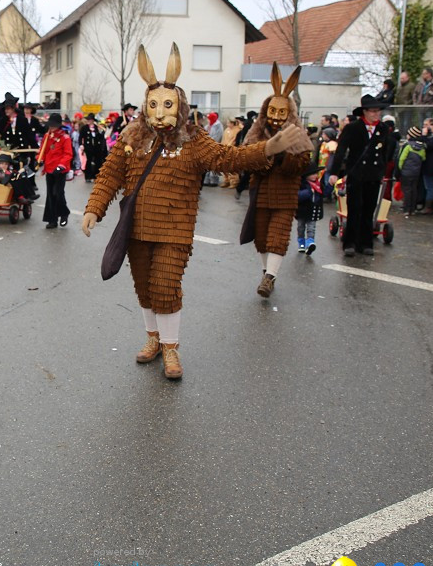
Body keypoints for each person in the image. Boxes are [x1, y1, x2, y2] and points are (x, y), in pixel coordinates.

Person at [81, 44, 311, 380]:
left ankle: (171, 348)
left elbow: (228, 159)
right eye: (154, 104)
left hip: (175, 228)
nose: (160, 112)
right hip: (137, 228)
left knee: (165, 285)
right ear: (145, 106)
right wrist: (93, 209)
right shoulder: (131, 138)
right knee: (144, 287)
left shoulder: (194, 140)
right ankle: (153, 340)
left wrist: (268, 148)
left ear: (181, 106)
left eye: (168, 104)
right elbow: (110, 174)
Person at [239, 64, 314, 297]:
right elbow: (246, 156)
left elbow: (302, 163)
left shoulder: (297, 133)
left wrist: (284, 155)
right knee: (261, 238)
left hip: (285, 194)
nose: (275, 117)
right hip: (260, 193)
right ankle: (266, 272)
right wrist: (267, 155)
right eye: (272, 111)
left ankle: (270, 277)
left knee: (278, 237)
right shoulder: (257, 132)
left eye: (281, 113)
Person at [328, 94, 396, 255]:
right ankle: (350, 243)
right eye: (373, 111)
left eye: (378, 111)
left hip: (373, 175)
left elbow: (386, 153)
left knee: (369, 209)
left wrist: (381, 171)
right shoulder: (353, 128)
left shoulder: (383, 129)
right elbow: (341, 151)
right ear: (364, 112)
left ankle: (366, 243)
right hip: (356, 173)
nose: (376, 114)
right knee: (354, 208)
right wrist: (334, 173)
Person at [38, 113, 73, 228]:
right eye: (50, 125)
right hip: (49, 168)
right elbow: (44, 151)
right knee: (50, 194)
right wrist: (39, 160)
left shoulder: (65, 138)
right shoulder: (47, 136)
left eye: (53, 125)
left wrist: (61, 166)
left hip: (60, 170)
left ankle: (64, 213)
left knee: (58, 193)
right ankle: (52, 220)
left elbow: (68, 154)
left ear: (58, 126)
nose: (51, 127)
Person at [397, 125, 427, 217]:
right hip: (416, 172)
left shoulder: (407, 145)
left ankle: (406, 209)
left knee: (406, 190)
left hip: (406, 172)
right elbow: (423, 158)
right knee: (414, 189)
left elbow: (401, 159)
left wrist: (400, 169)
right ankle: (412, 209)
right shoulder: (422, 147)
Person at [295, 167, 323, 255]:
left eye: (316, 173)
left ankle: (310, 243)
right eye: (313, 174)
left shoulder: (319, 184)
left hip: (313, 211)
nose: (315, 175)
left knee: (311, 228)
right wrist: (309, 192)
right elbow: (297, 196)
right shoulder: (301, 184)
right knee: (300, 228)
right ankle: (301, 244)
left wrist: (330, 185)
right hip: (302, 211)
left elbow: (324, 193)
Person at [79, 112, 107, 182]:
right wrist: (81, 145)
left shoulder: (97, 127)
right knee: (88, 162)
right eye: (88, 119)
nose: (89, 121)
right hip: (88, 147)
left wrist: (101, 132)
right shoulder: (84, 128)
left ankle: (96, 176)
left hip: (97, 147)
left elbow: (101, 137)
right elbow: (81, 137)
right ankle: (88, 176)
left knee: (98, 161)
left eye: (90, 120)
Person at [202, 111, 225, 186]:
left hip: (215, 146)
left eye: (209, 118)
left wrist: (210, 141)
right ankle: (207, 179)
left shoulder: (218, 126)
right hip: (207, 147)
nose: (208, 120)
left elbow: (218, 136)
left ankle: (214, 180)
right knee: (207, 164)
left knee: (214, 164)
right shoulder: (207, 126)